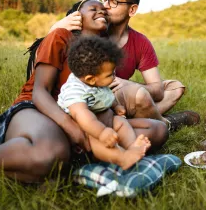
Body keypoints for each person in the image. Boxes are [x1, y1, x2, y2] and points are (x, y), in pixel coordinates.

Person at [0, 0, 168, 182]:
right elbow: (39, 92)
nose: (101, 12)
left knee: (155, 130)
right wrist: (71, 126)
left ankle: (74, 155)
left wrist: (111, 113)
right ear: (76, 17)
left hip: (85, 115)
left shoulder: (102, 51)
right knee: (50, 154)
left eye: (104, 11)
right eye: (92, 9)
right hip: (39, 109)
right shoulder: (60, 37)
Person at [52, 0, 200, 131]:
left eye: (113, 2)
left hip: (120, 92)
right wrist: (56, 27)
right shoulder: (93, 27)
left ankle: (133, 119)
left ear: (132, 10)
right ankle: (164, 124)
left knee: (175, 88)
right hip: (92, 93)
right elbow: (52, 50)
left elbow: (157, 89)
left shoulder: (141, 42)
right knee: (139, 95)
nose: (105, 6)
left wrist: (129, 83)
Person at [57, 35, 150, 170]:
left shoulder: (97, 82)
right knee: (94, 138)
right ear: (91, 79)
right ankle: (122, 159)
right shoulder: (74, 90)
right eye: (110, 74)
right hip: (80, 129)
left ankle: (131, 148)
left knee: (120, 122)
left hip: (100, 120)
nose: (114, 76)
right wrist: (101, 132)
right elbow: (81, 115)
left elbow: (104, 95)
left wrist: (116, 106)